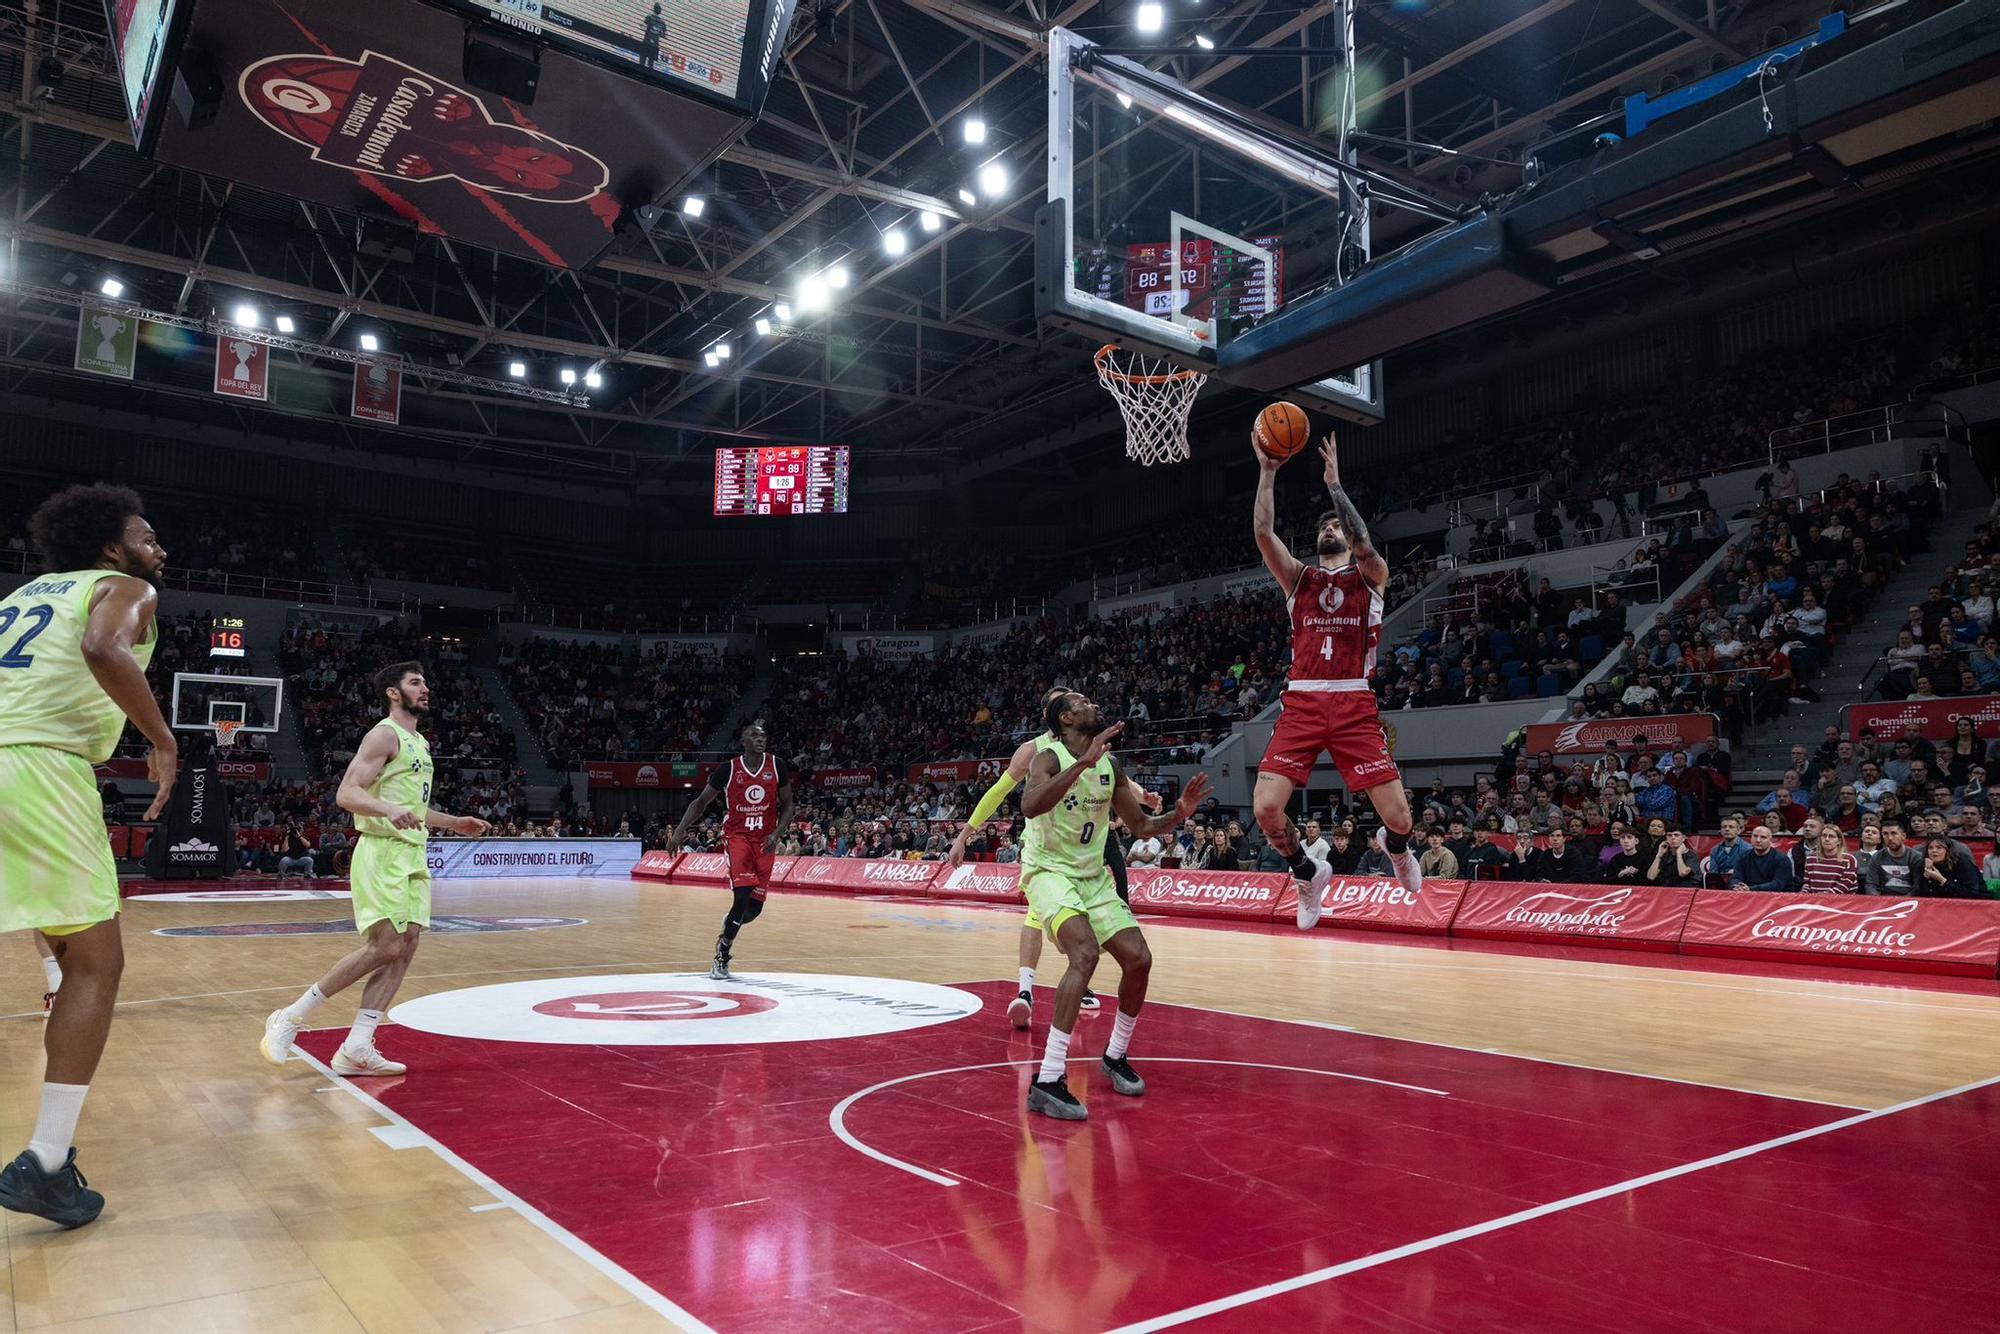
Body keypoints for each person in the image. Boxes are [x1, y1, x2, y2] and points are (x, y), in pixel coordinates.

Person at [0, 486, 174, 1229]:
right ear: (112, 544)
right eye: (146, 535)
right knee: (95, 961)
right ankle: (44, 1161)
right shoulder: (125, 588)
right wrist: (163, 741)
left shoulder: (24, 593)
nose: (158, 548)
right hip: (38, 765)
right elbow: (103, 646)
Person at [260, 663, 491, 1077]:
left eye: (425, 682)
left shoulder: (419, 741)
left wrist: (454, 823)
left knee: (406, 948)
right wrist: (387, 809)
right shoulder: (383, 734)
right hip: (382, 852)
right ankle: (290, 1016)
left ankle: (357, 1048)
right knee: (385, 946)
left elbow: (413, 807)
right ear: (393, 692)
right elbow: (347, 793)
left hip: (413, 854)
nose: (426, 688)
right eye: (415, 682)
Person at [1251, 428, 1418, 932]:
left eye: (1335, 525)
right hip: (1302, 701)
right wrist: (1267, 471)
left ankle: (1397, 849)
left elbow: (1365, 543)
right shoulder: (1299, 578)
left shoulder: (1370, 576)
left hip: (1352, 702)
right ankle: (1306, 871)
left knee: (1402, 821)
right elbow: (1263, 534)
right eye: (1323, 525)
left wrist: (1334, 488)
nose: (1329, 528)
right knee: (1265, 809)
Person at [1018, 692, 1210, 1121]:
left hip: (1092, 877)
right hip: (1049, 873)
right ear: (1066, 718)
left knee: (1139, 959)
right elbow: (1030, 805)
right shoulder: (1046, 758)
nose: (1092, 704)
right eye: (1082, 702)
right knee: (1083, 953)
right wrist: (1082, 762)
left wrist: (1178, 813)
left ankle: (1116, 1055)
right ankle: (1047, 1080)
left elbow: (1141, 825)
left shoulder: (1111, 764)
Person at [947, 697, 1156, 1028]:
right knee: (1036, 913)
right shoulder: (1036, 751)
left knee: (1102, 924)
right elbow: (999, 792)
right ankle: (1026, 990)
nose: (1085, 705)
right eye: (1074, 701)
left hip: (1087, 841)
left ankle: (1080, 980)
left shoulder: (1092, 745)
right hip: (1045, 850)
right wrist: (964, 836)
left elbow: (1117, 779)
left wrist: (1145, 799)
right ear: (1060, 715)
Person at [665, 722, 796, 980]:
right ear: (743, 741)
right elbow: (700, 802)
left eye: (763, 735)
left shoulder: (777, 765)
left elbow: (789, 804)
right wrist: (679, 832)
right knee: (743, 895)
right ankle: (722, 955)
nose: (760, 739)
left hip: (765, 841)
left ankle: (729, 925)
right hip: (738, 838)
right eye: (754, 735)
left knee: (754, 910)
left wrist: (777, 833)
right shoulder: (729, 769)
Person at [1732, 823, 1795, 892]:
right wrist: (1738, 887)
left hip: (1775, 898)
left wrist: (1750, 889)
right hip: (1746, 895)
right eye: (1755, 836)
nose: (1758, 840)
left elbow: (1778, 884)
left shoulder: (1782, 859)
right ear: (1751, 838)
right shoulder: (1743, 857)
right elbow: (1736, 878)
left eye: (1763, 837)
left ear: (1770, 840)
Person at [1919, 836, 1986, 899]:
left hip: (1976, 904)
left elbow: (1971, 894)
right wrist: (1927, 879)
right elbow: (1924, 896)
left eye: (1939, 847)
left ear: (1948, 850)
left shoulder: (1962, 862)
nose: (1934, 850)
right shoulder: (1926, 864)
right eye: (1930, 848)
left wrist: (1941, 880)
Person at [1800, 824, 1859, 894]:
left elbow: (1844, 887)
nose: (1827, 839)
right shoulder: (1810, 858)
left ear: (1839, 841)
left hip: (1841, 902)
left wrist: (1824, 896)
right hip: (1814, 901)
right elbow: (1807, 883)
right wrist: (1803, 894)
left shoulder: (1849, 860)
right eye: (1824, 836)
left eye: (1831, 836)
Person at [1516, 827, 1590, 882]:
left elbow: (1578, 876)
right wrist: (1541, 880)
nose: (1555, 839)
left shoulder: (1574, 854)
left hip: (1569, 890)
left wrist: (1559, 885)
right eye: (1552, 836)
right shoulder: (1545, 855)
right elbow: (1538, 874)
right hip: (1549, 890)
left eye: (1558, 836)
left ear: (1564, 839)